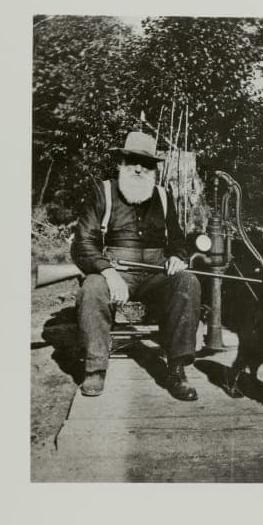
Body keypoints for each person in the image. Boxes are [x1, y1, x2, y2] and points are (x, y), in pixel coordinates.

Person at [71, 131, 201, 401]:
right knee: (92, 288)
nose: (139, 168)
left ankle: (177, 369)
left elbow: (178, 240)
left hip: (157, 273)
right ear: (121, 163)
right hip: (115, 271)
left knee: (188, 282)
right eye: (132, 161)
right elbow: (83, 243)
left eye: (147, 163)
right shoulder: (103, 192)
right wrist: (108, 272)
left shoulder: (163, 196)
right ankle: (95, 370)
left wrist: (178, 256)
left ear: (154, 169)